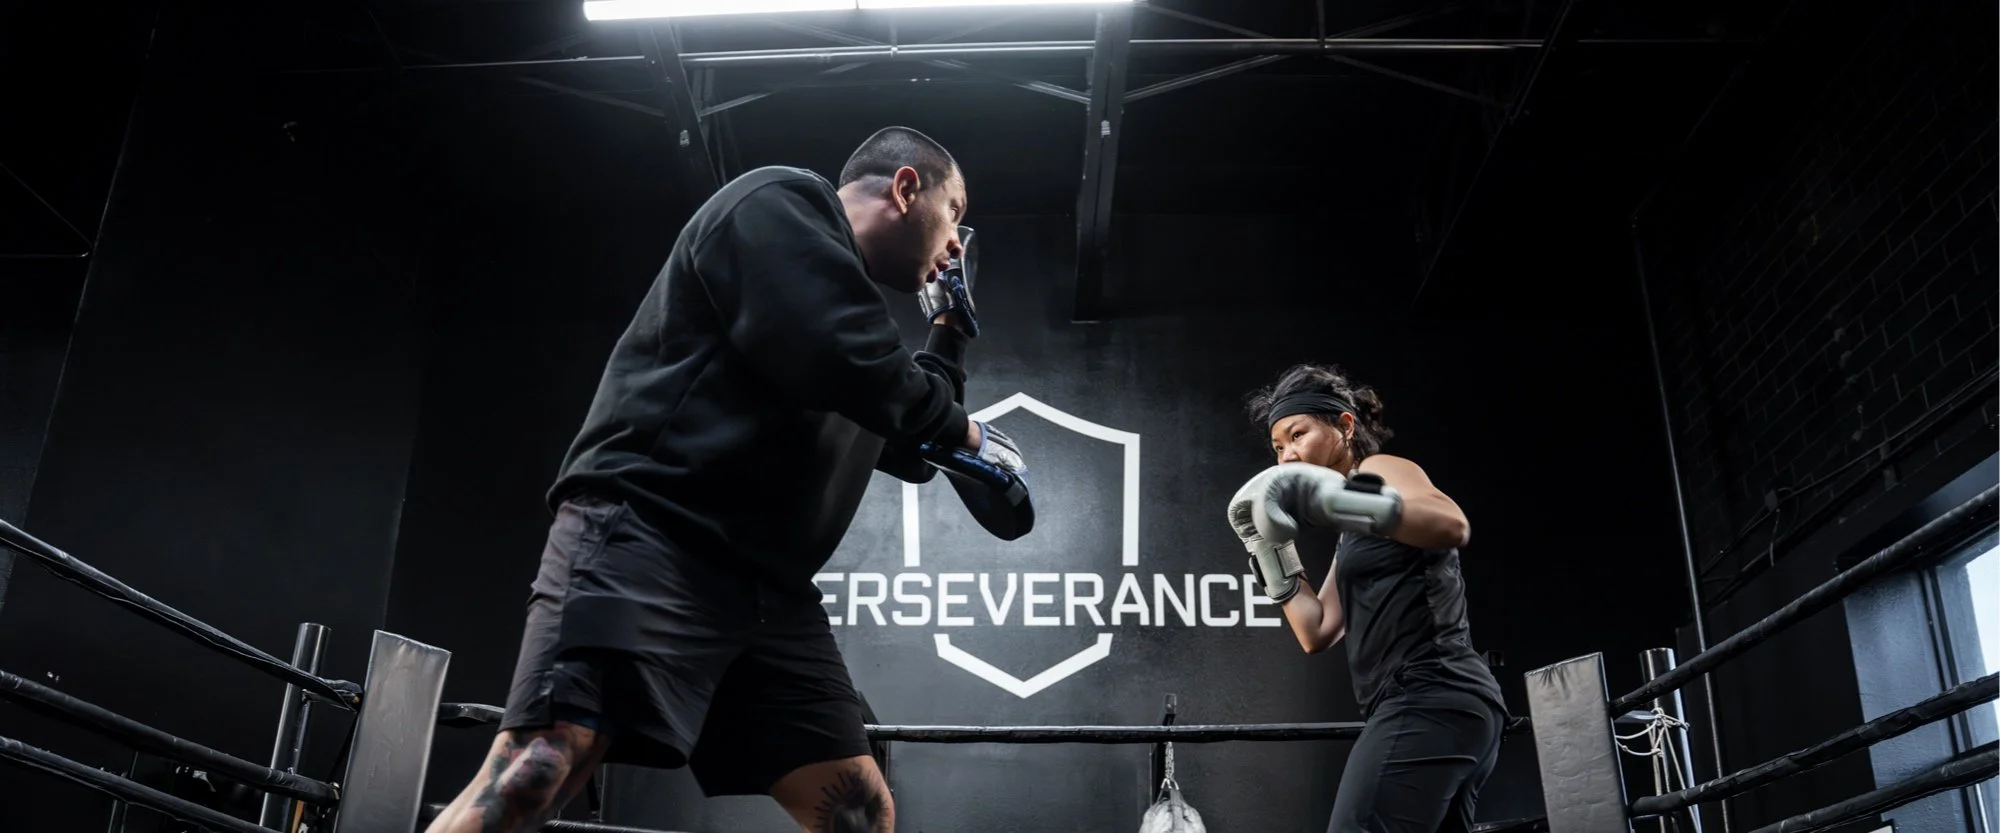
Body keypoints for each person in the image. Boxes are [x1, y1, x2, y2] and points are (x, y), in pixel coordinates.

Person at [423, 126, 1031, 833]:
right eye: (953, 211)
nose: (955, 242)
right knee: (539, 768)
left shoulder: (852, 335)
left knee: (857, 811)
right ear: (904, 188)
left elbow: (910, 439)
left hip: (769, 595)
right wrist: (972, 435)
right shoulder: (779, 204)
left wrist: (950, 326)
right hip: (652, 536)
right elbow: (869, 374)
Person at [1226, 363, 1506, 833]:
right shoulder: (1352, 534)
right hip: (1437, 706)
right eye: (1278, 447)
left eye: (1298, 435)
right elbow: (1317, 630)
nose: (1288, 456)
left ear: (1345, 426)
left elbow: (1451, 526)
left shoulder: (1380, 470)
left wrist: (1340, 502)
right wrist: (1266, 549)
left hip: (1431, 695)